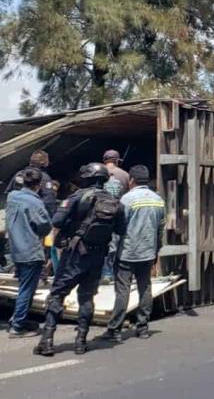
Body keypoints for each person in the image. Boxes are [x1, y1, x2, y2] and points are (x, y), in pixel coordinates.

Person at [34, 163, 126, 356]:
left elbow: (57, 221)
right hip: (98, 256)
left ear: (87, 178)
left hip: (75, 254)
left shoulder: (78, 196)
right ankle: (81, 342)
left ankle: (47, 340)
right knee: (87, 298)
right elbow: (120, 230)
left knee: (58, 294)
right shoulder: (116, 202)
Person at [101, 165, 164, 342]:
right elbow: (161, 228)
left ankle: (115, 329)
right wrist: (156, 249)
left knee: (122, 290)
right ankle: (142, 327)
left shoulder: (126, 200)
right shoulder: (158, 200)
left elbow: (118, 229)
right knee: (145, 288)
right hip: (148, 253)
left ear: (131, 181)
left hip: (127, 253)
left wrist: (111, 252)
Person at [5, 168, 52, 337]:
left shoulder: (11, 197)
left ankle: (19, 319)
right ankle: (17, 326)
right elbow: (45, 226)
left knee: (23, 286)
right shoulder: (35, 202)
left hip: (15, 250)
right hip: (30, 250)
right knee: (27, 289)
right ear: (38, 185)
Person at [101, 150, 129, 282]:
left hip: (99, 214)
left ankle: (103, 272)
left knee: (100, 244)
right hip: (117, 213)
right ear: (117, 160)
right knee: (116, 245)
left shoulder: (98, 171)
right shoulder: (124, 175)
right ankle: (111, 272)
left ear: (104, 160)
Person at [5, 150, 57, 218]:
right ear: (43, 162)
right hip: (34, 216)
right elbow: (49, 201)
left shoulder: (19, 174)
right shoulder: (44, 178)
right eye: (47, 159)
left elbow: (9, 192)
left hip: (16, 214)